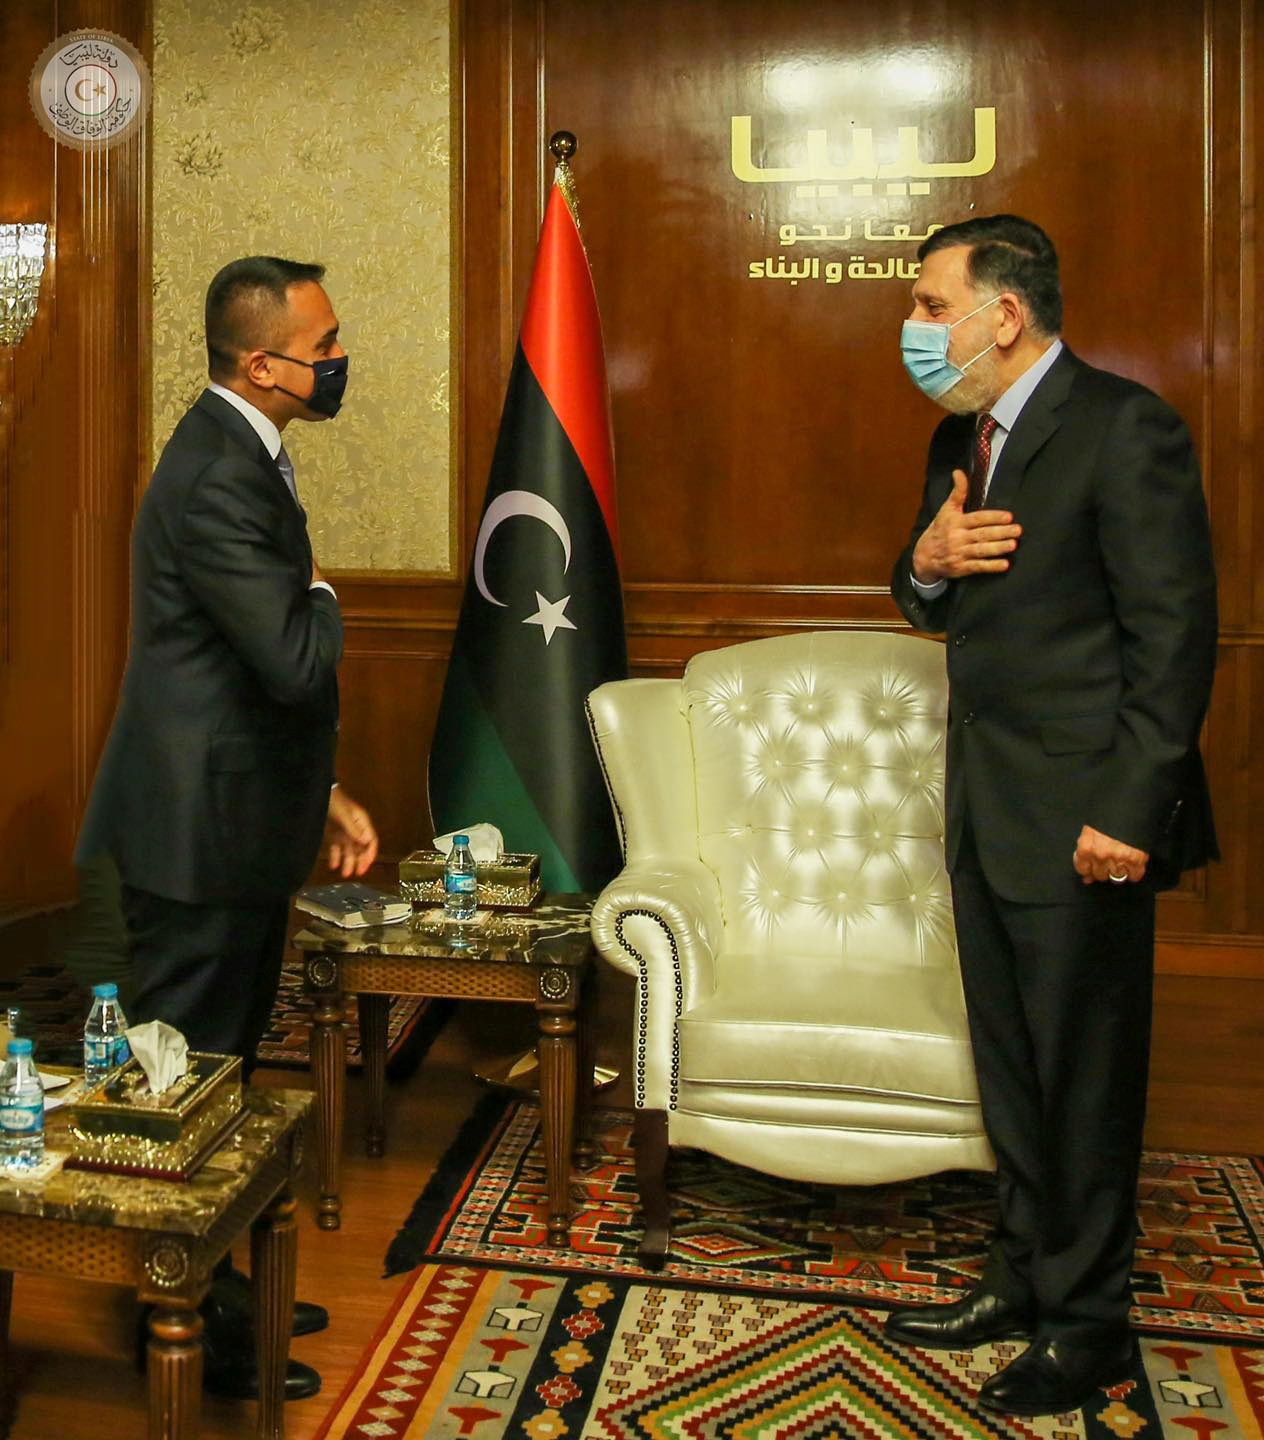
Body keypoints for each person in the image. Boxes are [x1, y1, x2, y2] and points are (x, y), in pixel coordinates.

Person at [885, 215, 1218, 1417]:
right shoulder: (957, 436)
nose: (914, 328)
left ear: (1001, 315)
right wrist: (925, 560)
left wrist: (1129, 809)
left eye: (930, 305)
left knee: (1084, 1078)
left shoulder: (1127, 428)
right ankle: (1020, 1280)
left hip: (1086, 820)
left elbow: (1172, 637)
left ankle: (1089, 1326)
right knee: (1014, 1067)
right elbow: (928, 594)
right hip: (987, 808)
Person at [78, 256, 379, 1401]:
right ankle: (178, 1323)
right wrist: (326, 590)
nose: (340, 358)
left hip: (239, 816)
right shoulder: (215, 475)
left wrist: (328, 790)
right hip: (197, 839)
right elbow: (294, 657)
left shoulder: (245, 452)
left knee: (223, 1083)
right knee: (182, 1087)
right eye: (326, 341)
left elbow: (239, 681)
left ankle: (216, 1294)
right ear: (261, 362)